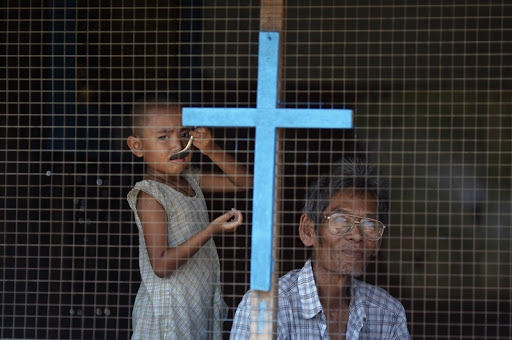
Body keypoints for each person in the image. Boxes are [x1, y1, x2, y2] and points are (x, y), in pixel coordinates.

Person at [231, 156, 411, 339]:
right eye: (341, 220)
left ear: (378, 243)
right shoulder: (266, 307)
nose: (357, 236)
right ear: (308, 230)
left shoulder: (388, 313)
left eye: (370, 224)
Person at [126, 94, 253, 340]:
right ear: (137, 146)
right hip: (167, 312)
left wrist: (211, 150)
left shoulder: (191, 180)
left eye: (185, 135)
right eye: (164, 137)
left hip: (195, 303)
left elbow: (244, 182)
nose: (178, 145)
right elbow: (161, 266)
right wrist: (210, 230)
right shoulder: (151, 195)